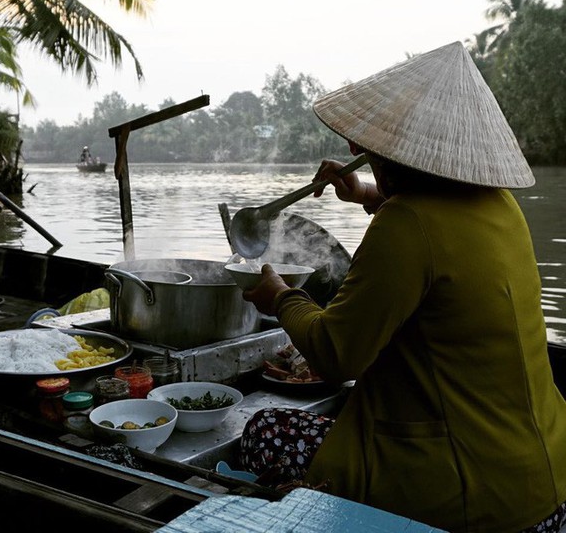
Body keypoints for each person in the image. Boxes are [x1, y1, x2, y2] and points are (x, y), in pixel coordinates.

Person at [238, 41, 566, 533]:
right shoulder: (501, 206)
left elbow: (335, 355)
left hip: (473, 491)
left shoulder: (405, 225)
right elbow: (440, 237)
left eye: (371, 151)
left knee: (266, 432)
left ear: (397, 156)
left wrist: (280, 295)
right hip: (547, 476)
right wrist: (367, 194)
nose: (359, 154)